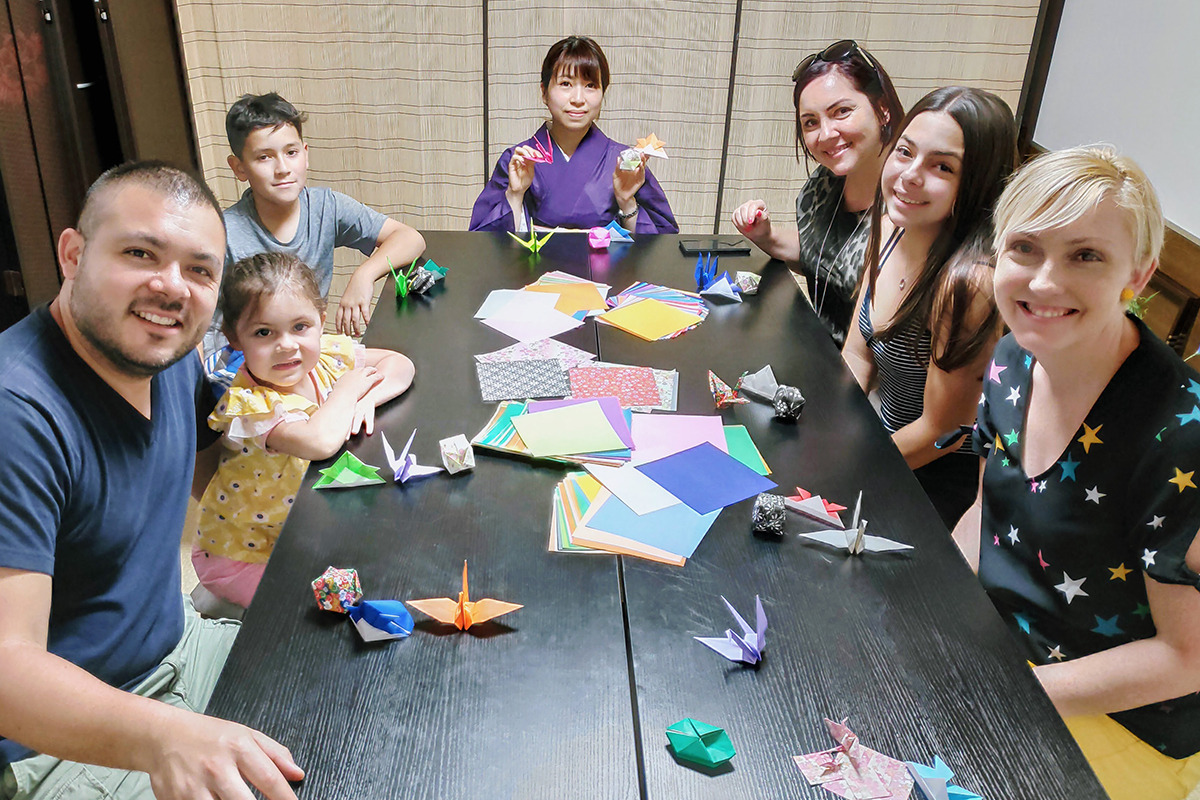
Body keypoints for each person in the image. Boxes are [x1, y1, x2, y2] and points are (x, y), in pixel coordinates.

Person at [0, 161, 302, 800]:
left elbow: (213, 477)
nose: (172, 288)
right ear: (73, 255)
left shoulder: (169, 359)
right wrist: (165, 737)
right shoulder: (16, 415)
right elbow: (6, 670)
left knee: (341, 683)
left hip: (176, 647)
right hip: (52, 745)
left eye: (200, 270)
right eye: (140, 253)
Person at [955, 147, 1200, 800]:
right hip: (1006, 661)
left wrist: (1008, 694)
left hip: (1126, 720)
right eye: (1025, 248)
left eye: (1085, 255)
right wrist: (934, 607)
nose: (1043, 282)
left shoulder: (1181, 436)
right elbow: (985, 515)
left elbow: (1186, 656)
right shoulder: (1011, 357)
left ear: (1138, 275)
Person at [193, 252, 415, 610]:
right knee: (326, 612)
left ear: (320, 321)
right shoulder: (250, 404)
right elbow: (318, 441)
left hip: (301, 525)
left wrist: (367, 400)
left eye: (300, 327)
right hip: (241, 556)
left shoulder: (325, 356)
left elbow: (400, 364)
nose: (287, 345)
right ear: (234, 338)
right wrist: (347, 391)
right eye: (263, 332)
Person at [841, 87, 1016, 528]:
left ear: (977, 184)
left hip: (933, 482)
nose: (909, 175)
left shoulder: (970, 285)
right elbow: (857, 355)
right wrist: (828, 433)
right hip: (882, 447)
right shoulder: (891, 226)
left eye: (942, 166)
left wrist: (845, 472)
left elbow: (942, 433)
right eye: (905, 152)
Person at [732, 39, 904, 345]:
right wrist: (766, 236)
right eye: (811, 122)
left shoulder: (910, 201)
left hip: (874, 370)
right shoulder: (824, 183)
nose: (825, 134)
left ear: (882, 109)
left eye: (842, 111)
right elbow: (821, 256)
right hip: (819, 352)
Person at [221, 92, 426, 340]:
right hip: (251, 356)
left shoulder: (326, 206)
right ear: (239, 167)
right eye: (264, 157)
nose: (283, 169)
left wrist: (364, 275)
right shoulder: (224, 234)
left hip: (311, 348)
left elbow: (410, 238)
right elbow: (210, 332)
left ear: (305, 154)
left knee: (396, 358)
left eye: (291, 152)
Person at [469, 36, 678, 234]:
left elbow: (662, 241)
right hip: (535, 261)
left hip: (606, 261)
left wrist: (627, 202)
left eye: (590, 86)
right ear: (544, 92)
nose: (578, 99)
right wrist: (515, 195)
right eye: (566, 84)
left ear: (603, 92)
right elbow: (484, 241)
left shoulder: (625, 163)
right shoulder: (518, 160)